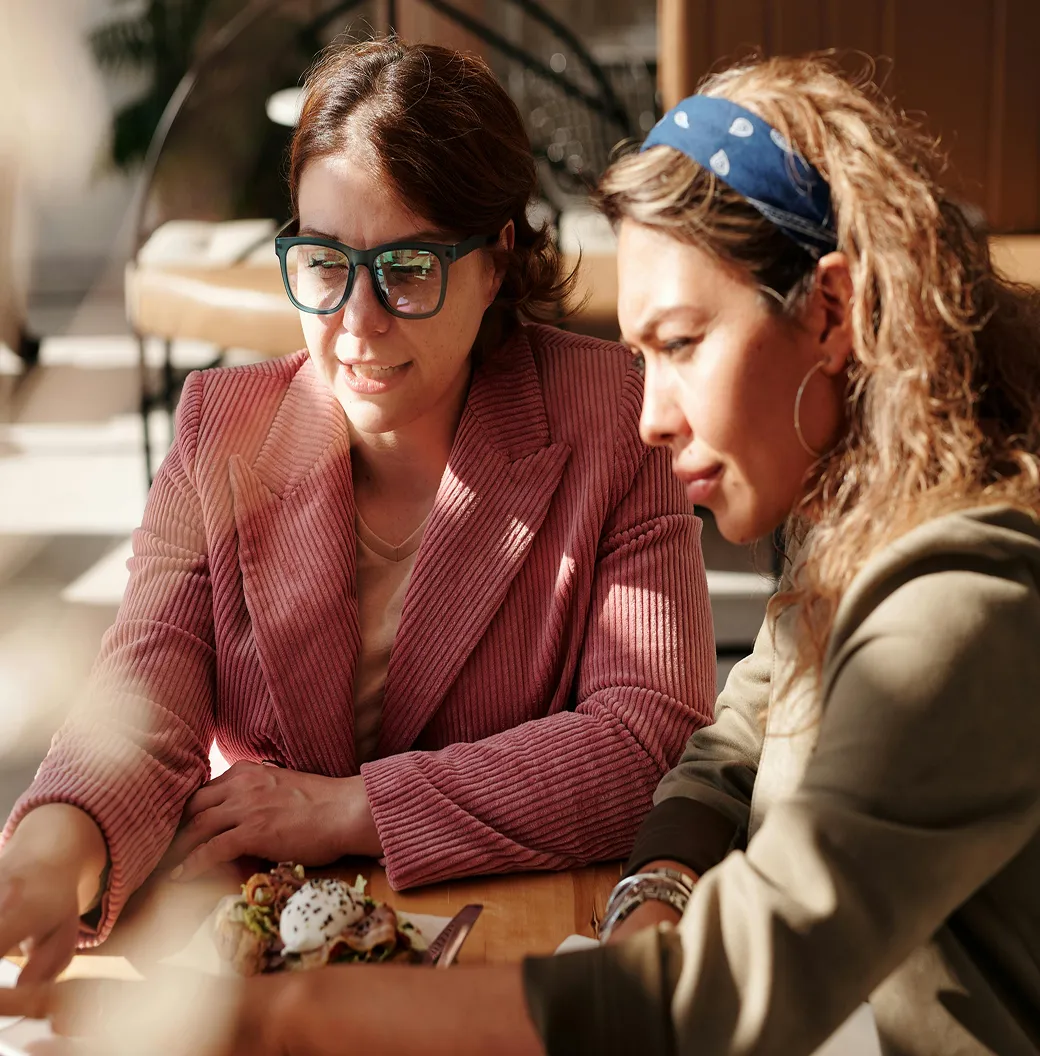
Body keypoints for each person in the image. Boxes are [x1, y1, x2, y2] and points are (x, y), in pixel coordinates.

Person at [0, 38, 716, 985]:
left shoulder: (610, 420)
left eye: (409, 268)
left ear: (497, 260)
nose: (357, 323)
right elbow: (145, 698)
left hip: (512, 951)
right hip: (272, 960)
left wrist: (351, 808)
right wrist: (56, 844)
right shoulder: (225, 429)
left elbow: (648, 738)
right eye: (325, 262)